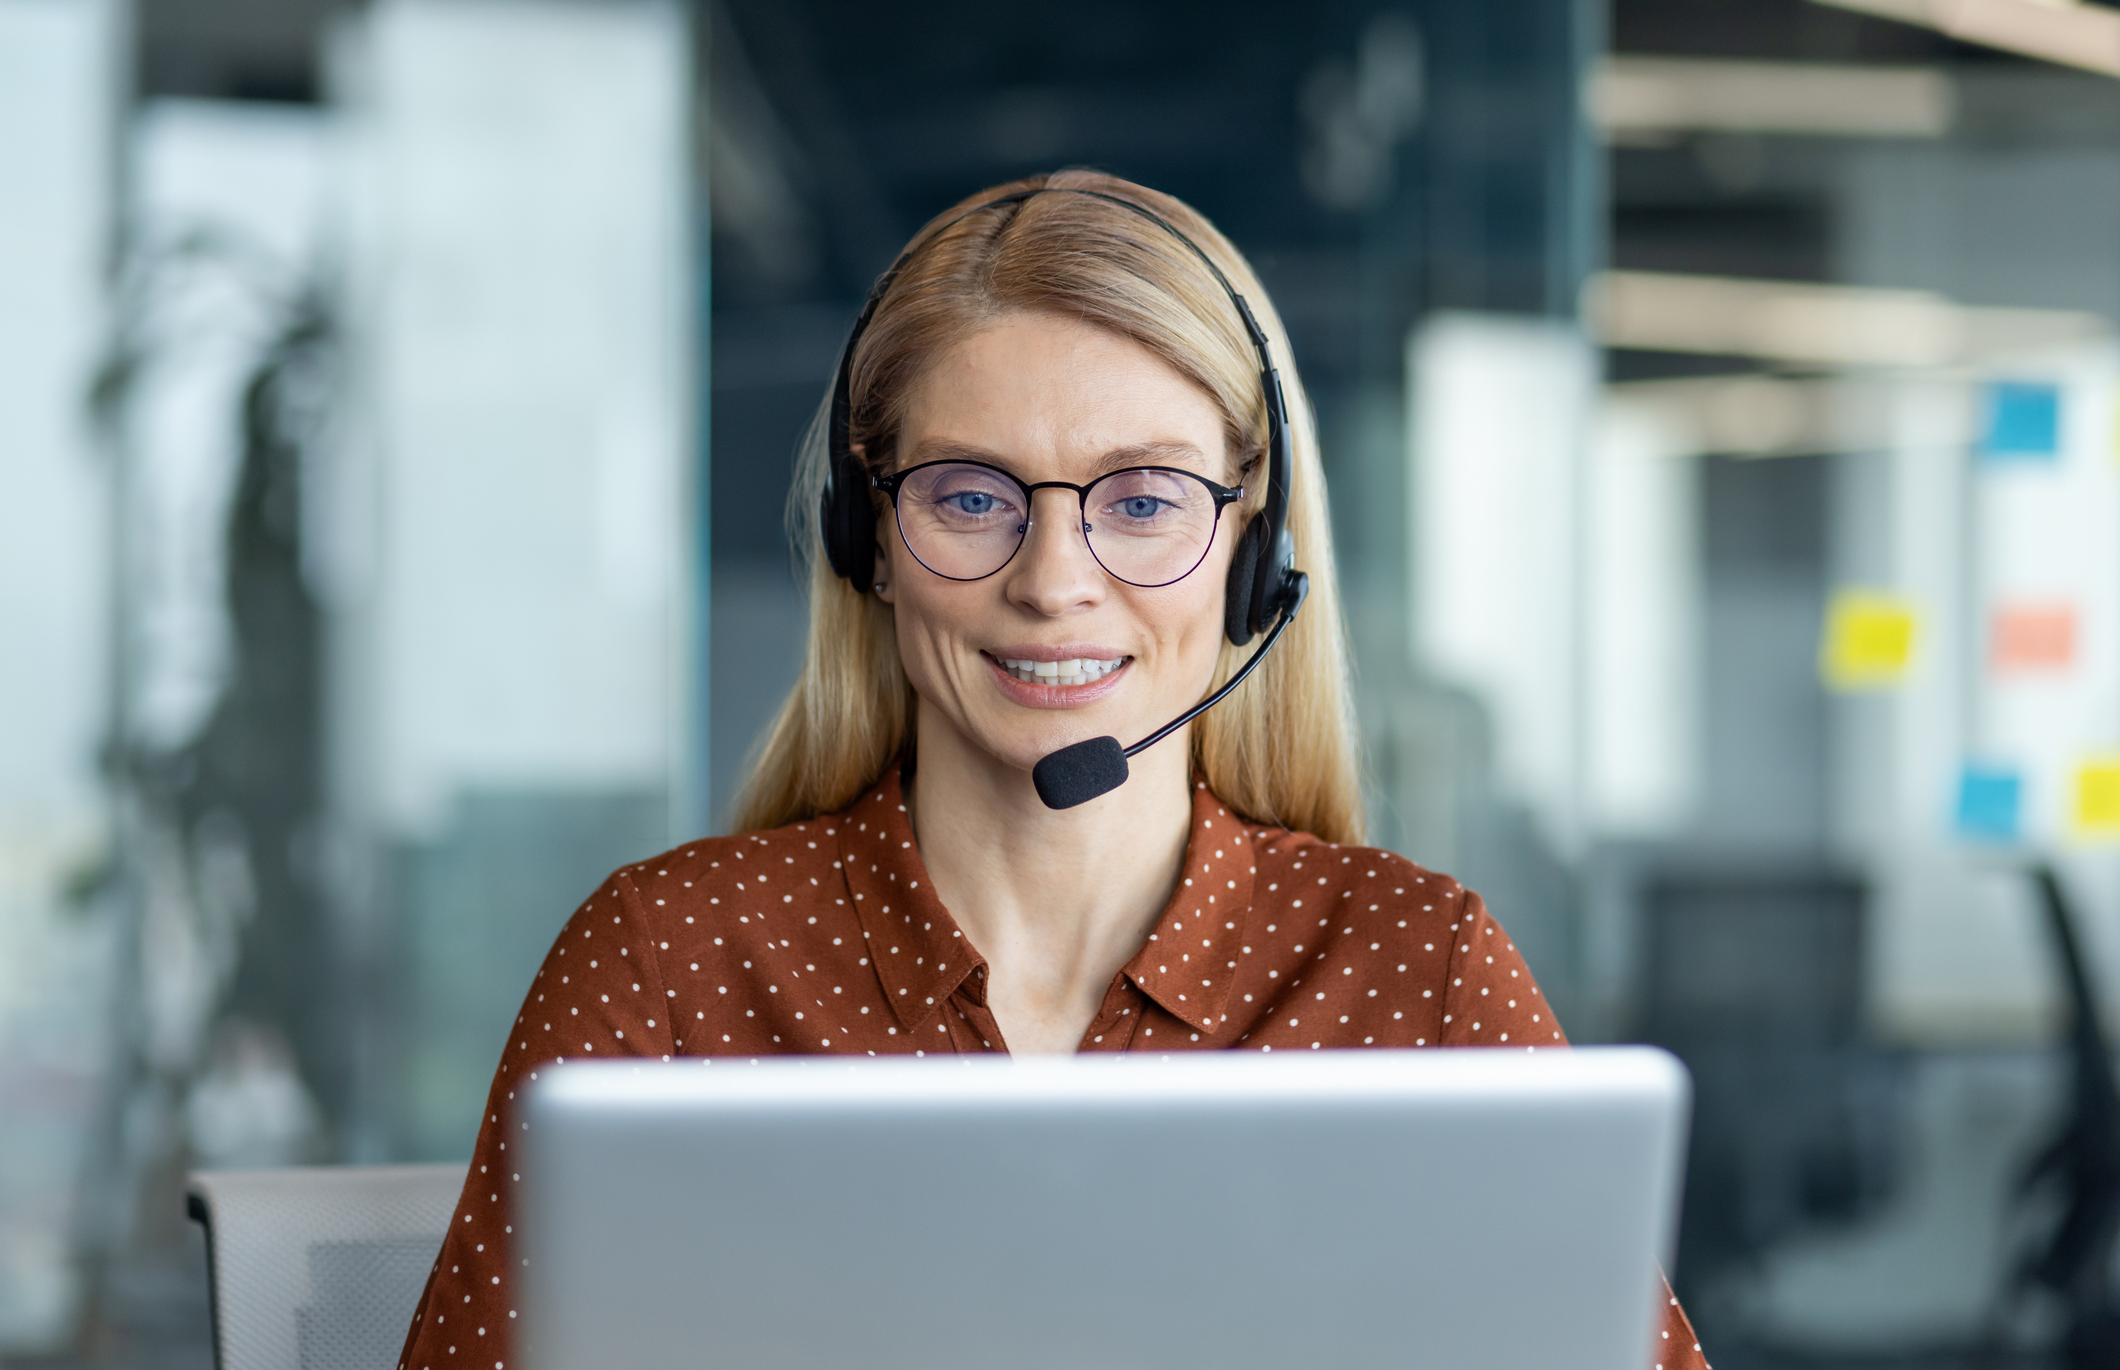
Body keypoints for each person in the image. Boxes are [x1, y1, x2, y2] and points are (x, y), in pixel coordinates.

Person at [395, 169, 1709, 1370]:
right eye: (972, 497)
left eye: (1142, 499)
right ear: (872, 537)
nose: (1054, 582)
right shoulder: (672, 966)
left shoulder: (1413, 976)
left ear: (1257, 552)